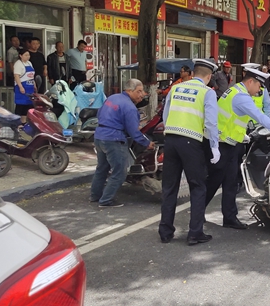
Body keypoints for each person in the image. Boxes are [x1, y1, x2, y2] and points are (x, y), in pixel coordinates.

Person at [204, 67, 270, 230]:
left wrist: (242, 136)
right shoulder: (241, 96)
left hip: (231, 143)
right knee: (214, 181)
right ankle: (198, 212)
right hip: (220, 144)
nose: (260, 90)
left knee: (231, 181)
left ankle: (229, 217)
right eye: (259, 86)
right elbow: (259, 116)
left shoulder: (235, 90)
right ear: (250, 82)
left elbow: (233, 119)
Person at [159, 59, 220, 246]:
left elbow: (165, 114)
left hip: (170, 140)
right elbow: (211, 122)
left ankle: (165, 232)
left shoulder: (176, 88)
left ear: (193, 73)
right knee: (198, 186)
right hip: (191, 143)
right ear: (208, 77)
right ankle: (195, 233)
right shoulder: (207, 93)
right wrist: (214, 146)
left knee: (169, 187)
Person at [91, 79, 154, 208]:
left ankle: (95, 196)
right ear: (129, 91)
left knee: (102, 168)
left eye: (142, 91)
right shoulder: (130, 107)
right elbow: (134, 132)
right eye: (139, 91)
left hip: (99, 136)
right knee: (119, 172)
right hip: (113, 139)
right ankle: (106, 200)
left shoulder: (112, 98)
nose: (142, 94)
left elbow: (100, 113)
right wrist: (147, 143)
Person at [13, 49, 37, 124]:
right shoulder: (18, 64)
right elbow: (16, 76)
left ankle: (23, 121)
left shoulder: (29, 63)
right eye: (26, 55)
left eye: (28, 55)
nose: (28, 57)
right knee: (20, 105)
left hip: (30, 87)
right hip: (21, 87)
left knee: (28, 105)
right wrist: (20, 87)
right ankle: (16, 122)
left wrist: (34, 85)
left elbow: (32, 76)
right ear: (20, 55)